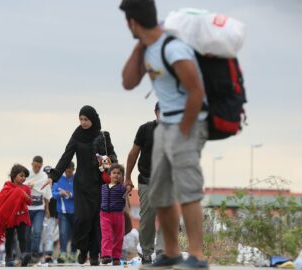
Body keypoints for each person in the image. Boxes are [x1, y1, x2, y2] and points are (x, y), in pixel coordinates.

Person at [120, 1, 209, 270]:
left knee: (187, 188)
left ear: (132, 22)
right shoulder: (149, 49)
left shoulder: (173, 48)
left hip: (188, 123)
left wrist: (183, 131)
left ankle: (197, 255)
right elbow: (128, 81)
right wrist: (140, 44)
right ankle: (170, 251)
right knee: (159, 191)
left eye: (128, 21)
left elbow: (196, 91)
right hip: (167, 127)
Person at [43, 105, 118, 265]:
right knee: (83, 219)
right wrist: (54, 176)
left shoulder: (103, 136)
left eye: (86, 119)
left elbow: (113, 157)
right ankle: (82, 250)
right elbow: (66, 156)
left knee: (97, 221)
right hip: (82, 184)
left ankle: (94, 254)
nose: (83, 122)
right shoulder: (77, 136)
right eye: (81, 119)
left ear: (93, 119)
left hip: (98, 184)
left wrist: (106, 161)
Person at [125, 102, 164, 264]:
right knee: (147, 218)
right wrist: (127, 177)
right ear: (156, 113)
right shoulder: (145, 130)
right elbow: (133, 154)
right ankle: (147, 251)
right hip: (147, 180)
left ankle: (163, 251)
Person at [24, 156, 52, 260]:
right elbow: (20, 188)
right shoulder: (26, 174)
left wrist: (47, 209)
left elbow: (46, 194)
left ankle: (35, 252)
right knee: (26, 233)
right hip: (27, 209)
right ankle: (26, 253)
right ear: (32, 164)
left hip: (39, 208)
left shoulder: (44, 176)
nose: (37, 168)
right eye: (35, 166)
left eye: (39, 167)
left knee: (37, 231)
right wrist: (27, 187)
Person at [100, 164, 127, 266]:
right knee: (106, 235)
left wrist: (127, 186)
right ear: (109, 175)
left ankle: (116, 257)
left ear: (122, 176)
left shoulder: (122, 188)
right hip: (104, 214)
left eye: (119, 173)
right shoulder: (103, 187)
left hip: (118, 214)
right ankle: (106, 255)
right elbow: (102, 175)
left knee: (119, 236)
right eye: (114, 173)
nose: (116, 175)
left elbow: (128, 191)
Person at [52, 161, 77, 263]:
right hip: (62, 212)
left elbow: (81, 192)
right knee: (63, 233)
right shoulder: (58, 180)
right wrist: (60, 194)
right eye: (66, 171)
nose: (68, 173)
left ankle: (74, 253)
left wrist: (70, 194)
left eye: (70, 171)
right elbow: (53, 194)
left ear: (73, 170)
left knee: (75, 234)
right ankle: (62, 254)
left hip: (76, 212)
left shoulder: (77, 179)